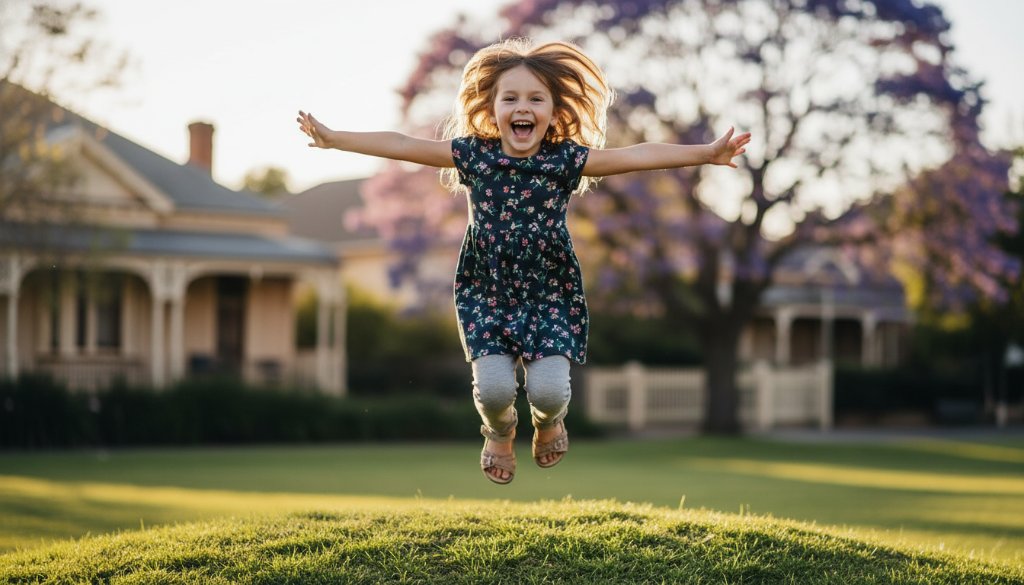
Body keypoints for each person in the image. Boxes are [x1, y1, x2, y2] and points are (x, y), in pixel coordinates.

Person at [297, 38, 749, 485]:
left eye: (536, 98)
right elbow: (400, 143)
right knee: (493, 391)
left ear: (554, 112)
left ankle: (550, 422)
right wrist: (336, 138)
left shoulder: (564, 160)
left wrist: (707, 153)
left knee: (550, 392)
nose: (522, 107)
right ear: (491, 109)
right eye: (509, 98)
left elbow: (636, 155)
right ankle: (499, 432)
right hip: (487, 289)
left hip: (548, 291)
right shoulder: (473, 155)